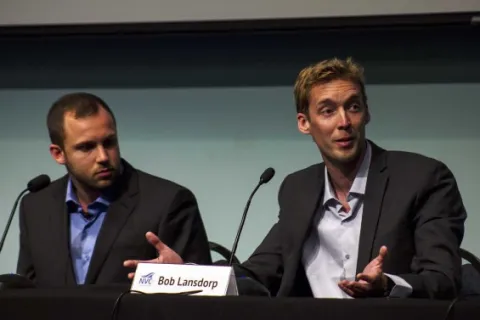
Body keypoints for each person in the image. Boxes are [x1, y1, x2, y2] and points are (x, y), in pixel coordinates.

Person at [129, 57, 467, 299]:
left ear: (367, 113)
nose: (343, 122)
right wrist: (188, 275)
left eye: (353, 107)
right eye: (327, 110)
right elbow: (260, 271)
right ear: (304, 123)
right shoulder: (298, 189)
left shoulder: (422, 179)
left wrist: (388, 285)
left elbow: (444, 279)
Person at [17, 92, 212, 287]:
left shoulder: (168, 202)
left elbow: (205, 295)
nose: (102, 156)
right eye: (87, 147)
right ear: (58, 154)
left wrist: (184, 277)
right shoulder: (35, 207)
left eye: (109, 142)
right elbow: (25, 293)